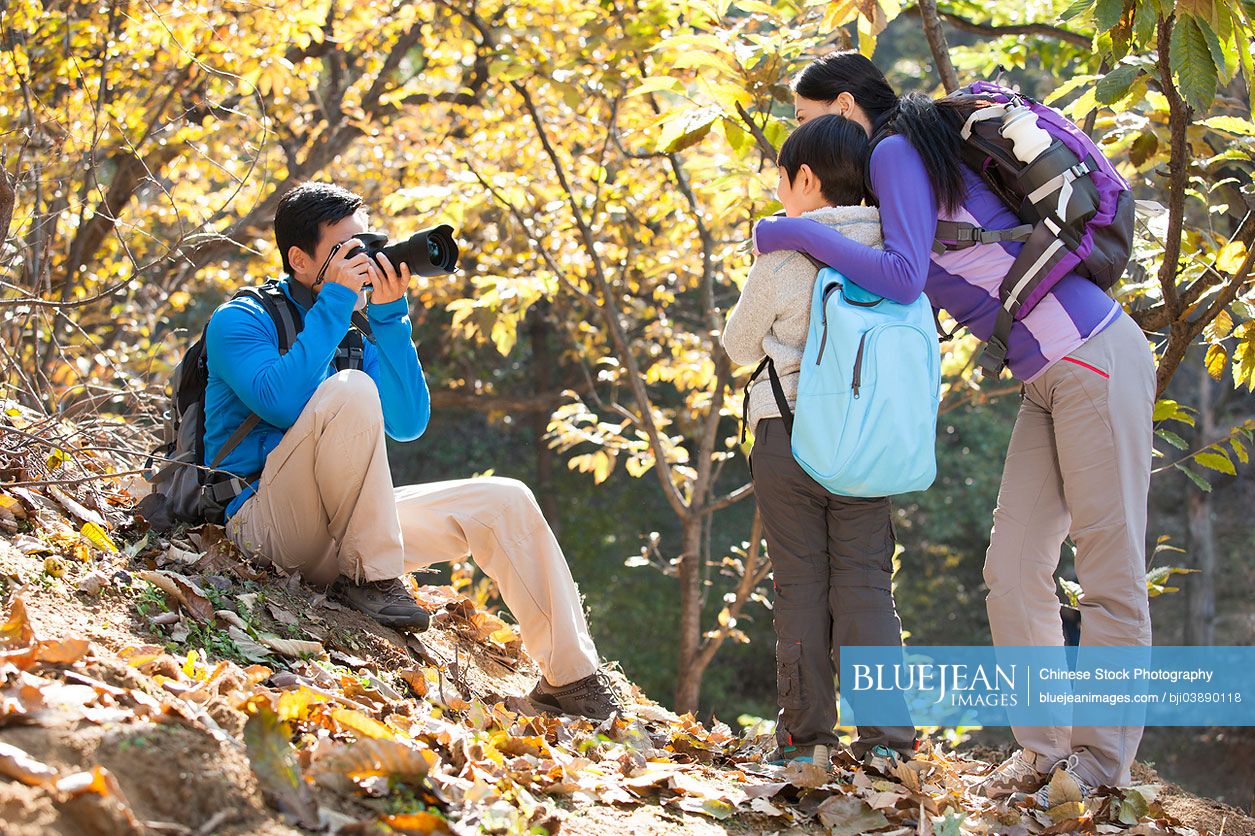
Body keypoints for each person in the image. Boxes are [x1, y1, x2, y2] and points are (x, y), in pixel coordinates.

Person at [751, 52, 1154, 803]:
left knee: (1108, 573)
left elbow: (904, 276)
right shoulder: (895, 173)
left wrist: (790, 233)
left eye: (805, 123)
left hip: (1094, 359)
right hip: (1046, 376)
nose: (801, 145)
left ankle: (1099, 769)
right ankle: (1042, 752)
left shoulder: (899, 150)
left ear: (842, 109)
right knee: (1011, 570)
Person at [203, 181, 619, 719]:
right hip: (260, 527)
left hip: (344, 537)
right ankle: (375, 579)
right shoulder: (241, 320)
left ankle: (572, 682)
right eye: (345, 252)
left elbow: (408, 422)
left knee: (503, 499)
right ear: (300, 260)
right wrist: (333, 305)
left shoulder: (352, 334)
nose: (363, 262)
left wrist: (390, 317)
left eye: (367, 245)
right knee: (350, 389)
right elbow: (281, 403)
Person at [722, 115, 918, 766]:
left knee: (800, 584)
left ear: (804, 178)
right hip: (868, 441)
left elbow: (737, 346)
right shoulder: (894, 250)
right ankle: (887, 744)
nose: (779, 193)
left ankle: (805, 744)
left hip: (787, 433)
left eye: (781, 180)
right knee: (865, 584)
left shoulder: (783, 254)